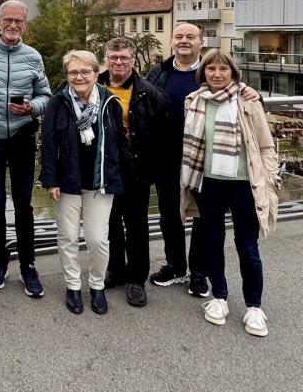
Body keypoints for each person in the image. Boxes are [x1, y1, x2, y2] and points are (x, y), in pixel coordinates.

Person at [145, 23, 259, 296]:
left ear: (200, 41)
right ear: (172, 41)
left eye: (190, 37)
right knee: (170, 215)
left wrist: (256, 94)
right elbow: (139, 99)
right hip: (166, 158)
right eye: (179, 36)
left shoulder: (209, 71)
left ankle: (199, 272)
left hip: (203, 159)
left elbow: (237, 94)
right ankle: (175, 265)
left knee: (204, 218)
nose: (184, 41)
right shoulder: (158, 73)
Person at [180, 49, 279, 337]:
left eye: (223, 69)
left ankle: (253, 306)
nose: (217, 74)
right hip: (207, 181)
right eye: (211, 69)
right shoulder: (195, 101)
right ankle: (219, 297)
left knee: (247, 244)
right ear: (203, 73)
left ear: (233, 73)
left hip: (243, 183)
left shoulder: (248, 103)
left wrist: (270, 179)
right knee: (212, 240)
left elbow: (265, 146)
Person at [39, 50, 128, 315]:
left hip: (100, 181)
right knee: (67, 236)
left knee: (98, 239)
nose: (79, 77)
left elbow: (119, 142)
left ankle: (97, 285)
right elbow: (48, 144)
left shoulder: (109, 102)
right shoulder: (58, 103)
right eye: (73, 72)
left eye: (84, 72)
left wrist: (126, 175)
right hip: (67, 182)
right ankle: (73, 286)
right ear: (66, 75)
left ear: (96, 73)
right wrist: (50, 179)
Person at [0, 0, 52, 296]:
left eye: (18, 21)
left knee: (23, 203)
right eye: (7, 20)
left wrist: (32, 107)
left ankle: (28, 266)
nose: (12, 25)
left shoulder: (33, 57)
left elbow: (46, 95)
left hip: (22, 138)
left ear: (25, 24)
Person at [98, 38, 170, 307]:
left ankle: (136, 279)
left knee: (137, 226)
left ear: (132, 60)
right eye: (114, 57)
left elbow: (162, 133)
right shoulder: (94, 86)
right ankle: (115, 270)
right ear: (106, 59)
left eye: (124, 58)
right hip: (104, 169)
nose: (118, 62)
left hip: (136, 169)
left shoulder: (148, 92)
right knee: (110, 223)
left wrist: (153, 168)